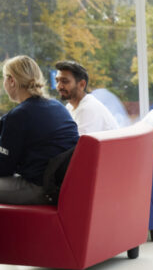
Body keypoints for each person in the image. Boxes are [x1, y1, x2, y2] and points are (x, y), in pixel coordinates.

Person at [0, 55, 79, 204]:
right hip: (60, 184)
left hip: (40, 188)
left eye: (4, 78)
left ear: (12, 81)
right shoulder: (56, 106)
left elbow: (4, 168)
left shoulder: (19, 115)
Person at [55, 60, 118, 135]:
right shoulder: (69, 107)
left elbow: (78, 144)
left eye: (65, 81)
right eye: (57, 81)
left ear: (82, 84)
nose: (58, 86)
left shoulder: (88, 108)